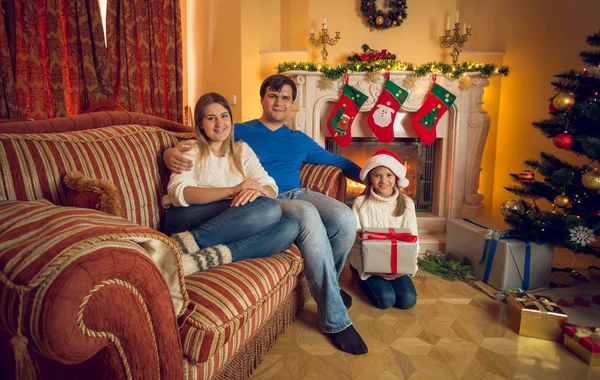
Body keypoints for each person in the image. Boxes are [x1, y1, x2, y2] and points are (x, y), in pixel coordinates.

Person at [164, 75, 368, 355]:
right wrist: (169, 153)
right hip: (254, 202)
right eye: (273, 96)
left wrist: (374, 176)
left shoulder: (298, 139)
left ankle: (327, 284)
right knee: (303, 216)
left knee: (345, 218)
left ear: (292, 104)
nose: (279, 102)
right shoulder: (238, 130)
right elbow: (193, 140)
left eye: (285, 97)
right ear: (262, 99)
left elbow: (337, 161)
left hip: (288, 193)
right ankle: (333, 313)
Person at [162, 92, 299, 275]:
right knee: (270, 208)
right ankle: (182, 245)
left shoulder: (241, 149)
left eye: (224, 116)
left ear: (231, 120)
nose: (219, 124)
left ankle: (203, 259)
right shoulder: (190, 149)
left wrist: (257, 192)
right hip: (185, 216)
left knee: (289, 226)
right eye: (211, 118)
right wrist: (234, 190)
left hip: (226, 218)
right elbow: (179, 193)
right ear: (201, 125)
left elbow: (269, 184)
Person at [350, 149, 418, 310]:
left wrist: (409, 267)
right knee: (386, 300)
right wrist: (364, 269)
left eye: (389, 175)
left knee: (407, 300)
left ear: (396, 178)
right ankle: (359, 280)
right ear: (370, 179)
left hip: (397, 265)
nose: (383, 180)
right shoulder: (360, 203)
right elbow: (353, 244)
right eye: (377, 175)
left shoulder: (407, 203)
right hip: (370, 265)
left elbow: (413, 238)